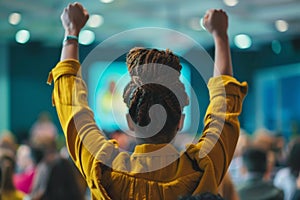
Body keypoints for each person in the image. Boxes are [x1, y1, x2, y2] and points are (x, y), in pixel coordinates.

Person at [47, 2, 247, 199]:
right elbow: (225, 105)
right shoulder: (205, 166)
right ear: (181, 121)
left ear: (129, 122)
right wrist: (220, 36)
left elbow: (72, 106)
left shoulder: (103, 168)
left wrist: (71, 33)